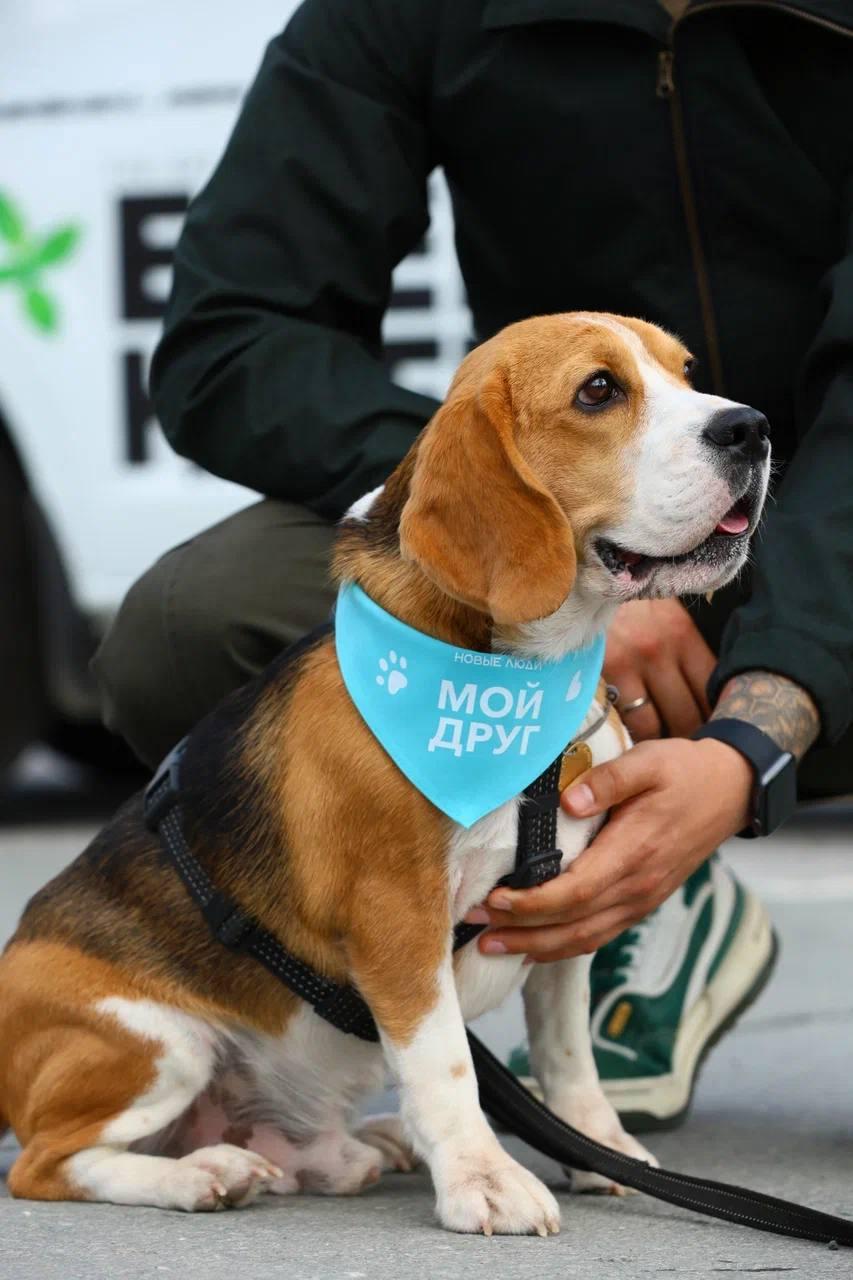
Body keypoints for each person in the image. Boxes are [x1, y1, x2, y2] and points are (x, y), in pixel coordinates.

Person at [93, 0, 853, 1129]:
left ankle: (649, 856)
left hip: (829, 538)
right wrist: (527, 527)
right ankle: (608, 896)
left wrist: (755, 736)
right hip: (564, 540)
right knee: (191, 617)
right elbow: (233, 334)